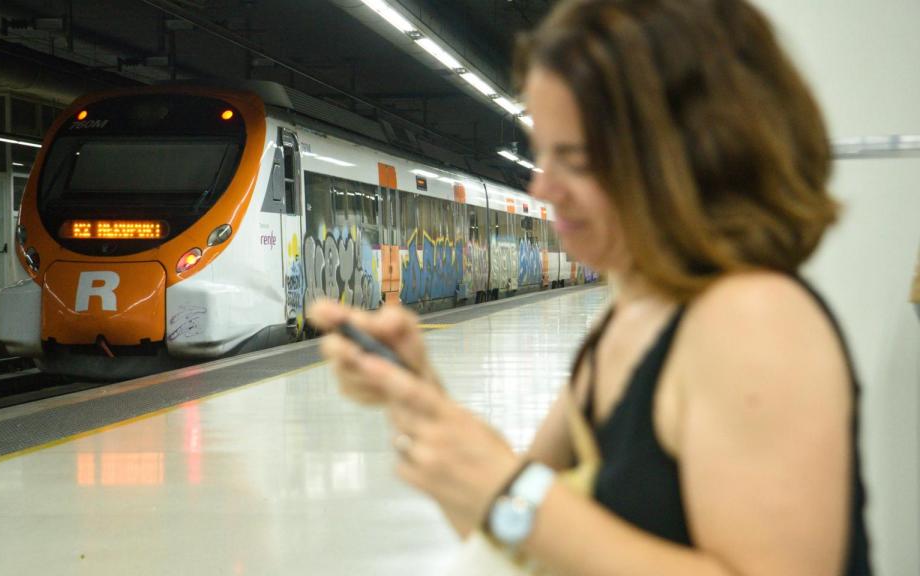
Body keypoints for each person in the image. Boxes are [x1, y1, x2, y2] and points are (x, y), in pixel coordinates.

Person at [309, 0, 872, 574]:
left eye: (573, 159)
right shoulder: (628, 317)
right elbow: (509, 538)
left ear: (689, 156)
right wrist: (414, 396)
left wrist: (509, 494)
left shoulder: (755, 322)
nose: (542, 186)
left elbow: (520, 509)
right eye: (542, 153)